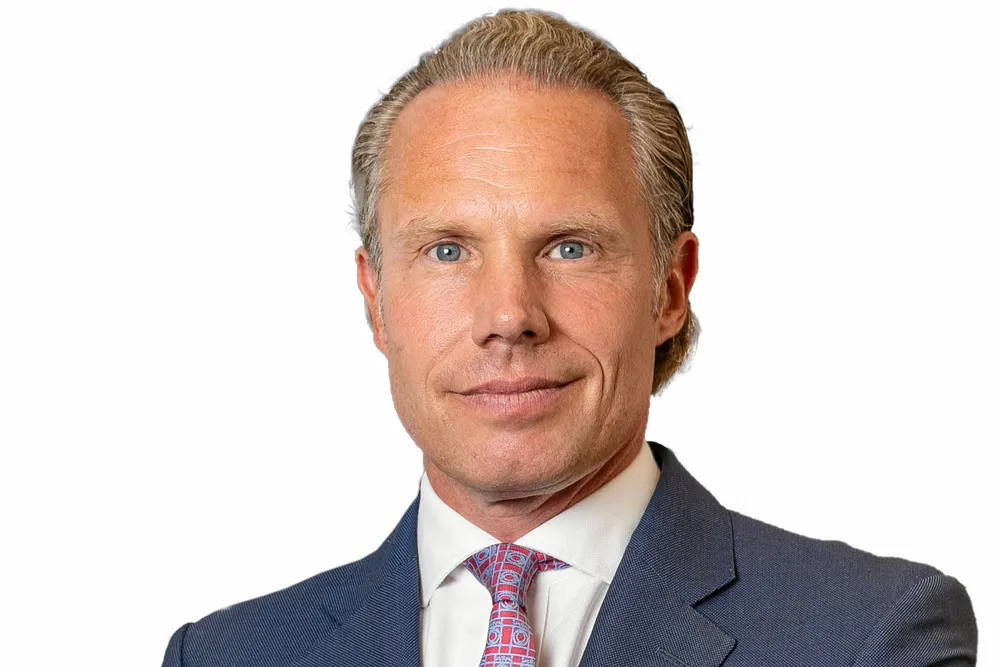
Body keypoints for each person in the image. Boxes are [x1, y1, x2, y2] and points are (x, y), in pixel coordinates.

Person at [161, 8, 977, 667]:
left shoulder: (867, 636)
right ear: (375, 300)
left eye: (569, 247)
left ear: (670, 288)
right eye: (447, 251)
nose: (509, 314)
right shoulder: (226, 654)